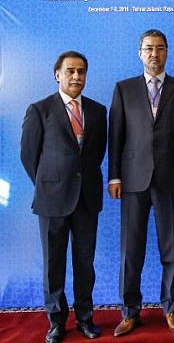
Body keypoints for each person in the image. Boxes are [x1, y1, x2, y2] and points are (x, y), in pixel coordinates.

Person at [108, 29, 174, 336]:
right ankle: (130, 312)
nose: (154, 54)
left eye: (159, 48)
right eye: (148, 49)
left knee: (171, 249)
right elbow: (115, 135)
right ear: (139, 52)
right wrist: (115, 176)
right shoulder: (124, 89)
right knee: (131, 250)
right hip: (132, 180)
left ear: (167, 52)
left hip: (172, 179)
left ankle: (172, 308)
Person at [20, 51, 107, 343]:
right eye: (70, 71)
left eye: (81, 71)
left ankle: (85, 318)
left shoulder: (97, 111)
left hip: (87, 199)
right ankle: (56, 322)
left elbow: (96, 155)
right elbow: (29, 156)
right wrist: (49, 183)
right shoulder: (39, 110)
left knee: (85, 264)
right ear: (57, 74)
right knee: (53, 264)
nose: (76, 77)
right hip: (52, 200)